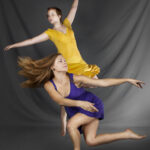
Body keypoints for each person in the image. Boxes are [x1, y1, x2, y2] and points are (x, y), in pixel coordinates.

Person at [17, 52, 146, 150]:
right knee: (91, 141)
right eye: (60, 61)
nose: (64, 62)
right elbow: (61, 101)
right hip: (79, 109)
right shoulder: (49, 85)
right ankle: (125, 134)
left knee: (71, 125)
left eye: (64, 60)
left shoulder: (76, 78)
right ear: (52, 67)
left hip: (92, 106)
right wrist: (63, 123)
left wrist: (127, 80)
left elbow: (103, 83)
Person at [4, 0, 100, 80]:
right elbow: (32, 40)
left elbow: (74, 8)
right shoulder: (50, 33)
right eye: (48, 16)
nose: (50, 17)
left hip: (79, 62)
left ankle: (77, 86)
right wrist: (14, 45)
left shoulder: (67, 24)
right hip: (67, 64)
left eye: (52, 14)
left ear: (59, 16)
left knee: (95, 81)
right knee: (75, 87)